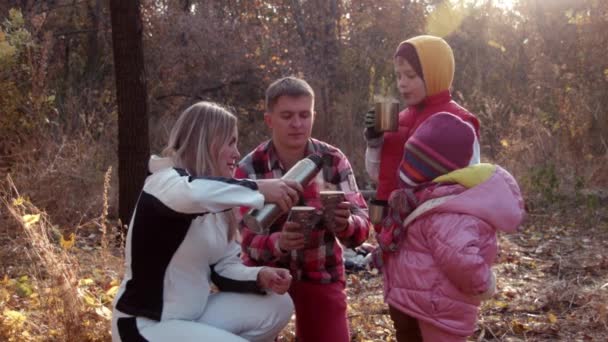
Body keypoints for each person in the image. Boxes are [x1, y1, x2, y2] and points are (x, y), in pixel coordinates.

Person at [111, 101, 303, 342]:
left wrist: (260, 275)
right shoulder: (164, 182)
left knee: (277, 305)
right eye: (230, 142)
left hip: (192, 318)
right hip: (145, 325)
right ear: (206, 141)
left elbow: (224, 269)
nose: (237, 153)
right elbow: (192, 195)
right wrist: (259, 188)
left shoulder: (221, 204)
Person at [234, 76, 372, 342]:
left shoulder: (333, 160)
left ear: (313, 116)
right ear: (269, 120)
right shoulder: (249, 168)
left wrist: (346, 225)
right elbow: (242, 239)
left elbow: (362, 226)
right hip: (265, 273)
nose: (297, 124)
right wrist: (279, 243)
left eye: (304, 115)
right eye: (287, 116)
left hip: (321, 272)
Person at [375, 112, 525, 341]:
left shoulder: (448, 210)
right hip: (415, 304)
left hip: (438, 314)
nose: (405, 169)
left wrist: (485, 283)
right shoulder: (423, 198)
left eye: (415, 163)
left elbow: (461, 259)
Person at [364, 35, 481, 233]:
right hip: (390, 232)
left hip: (435, 233)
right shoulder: (397, 120)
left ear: (435, 74)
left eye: (410, 76)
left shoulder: (457, 122)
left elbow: (469, 183)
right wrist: (374, 141)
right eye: (399, 76)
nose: (402, 83)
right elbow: (377, 175)